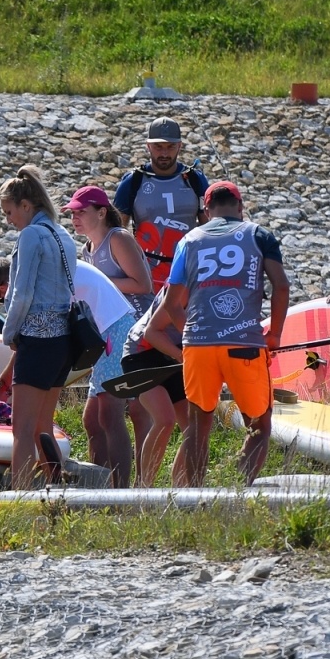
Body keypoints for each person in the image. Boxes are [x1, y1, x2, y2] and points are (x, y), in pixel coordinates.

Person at [151, 181, 288, 487]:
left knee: (199, 426)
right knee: (260, 425)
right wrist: (275, 334)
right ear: (240, 207)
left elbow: (173, 305)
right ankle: (237, 489)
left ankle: (196, 495)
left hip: (198, 347)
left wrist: (195, 333)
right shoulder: (259, 235)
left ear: (206, 211)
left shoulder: (188, 240)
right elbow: (281, 286)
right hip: (244, 344)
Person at [0, 167, 74, 489]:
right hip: (64, 339)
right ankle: (55, 486)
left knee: (22, 427)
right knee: (42, 426)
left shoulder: (32, 235)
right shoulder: (63, 234)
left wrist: (9, 333)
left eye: (9, 211)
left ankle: (20, 495)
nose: (8, 220)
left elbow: (23, 292)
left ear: (26, 206)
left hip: (37, 337)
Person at [112, 117, 209, 289]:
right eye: (158, 147)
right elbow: (116, 233)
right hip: (147, 275)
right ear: (148, 146)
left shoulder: (195, 180)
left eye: (170, 147)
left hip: (188, 271)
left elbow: (209, 228)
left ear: (180, 145)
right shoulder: (133, 182)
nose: (164, 154)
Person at [70, 259, 138, 489]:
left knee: (110, 415)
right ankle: (99, 485)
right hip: (106, 331)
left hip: (113, 330)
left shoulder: (49, 267)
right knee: (92, 420)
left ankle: (120, 491)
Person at [119, 290, 189, 487]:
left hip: (174, 353)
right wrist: (183, 357)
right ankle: (143, 491)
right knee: (165, 419)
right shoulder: (184, 287)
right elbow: (151, 332)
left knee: (194, 429)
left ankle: (180, 495)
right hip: (141, 353)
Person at [69, 186, 153, 317]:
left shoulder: (118, 238)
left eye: (81, 211)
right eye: (72, 212)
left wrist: (98, 281)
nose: (74, 218)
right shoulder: (86, 249)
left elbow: (143, 286)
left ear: (101, 213)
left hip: (139, 320)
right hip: (115, 321)